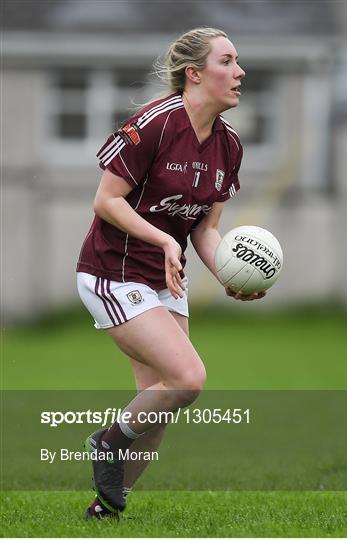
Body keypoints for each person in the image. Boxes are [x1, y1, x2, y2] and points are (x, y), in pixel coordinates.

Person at [76, 27, 265, 519]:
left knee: (158, 402)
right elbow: (106, 200)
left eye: (238, 61)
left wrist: (231, 274)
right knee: (187, 379)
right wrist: (161, 238)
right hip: (113, 273)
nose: (240, 72)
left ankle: (107, 509)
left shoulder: (230, 146)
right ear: (195, 73)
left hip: (165, 280)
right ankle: (106, 444)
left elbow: (206, 229)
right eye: (228, 61)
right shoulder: (154, 124)